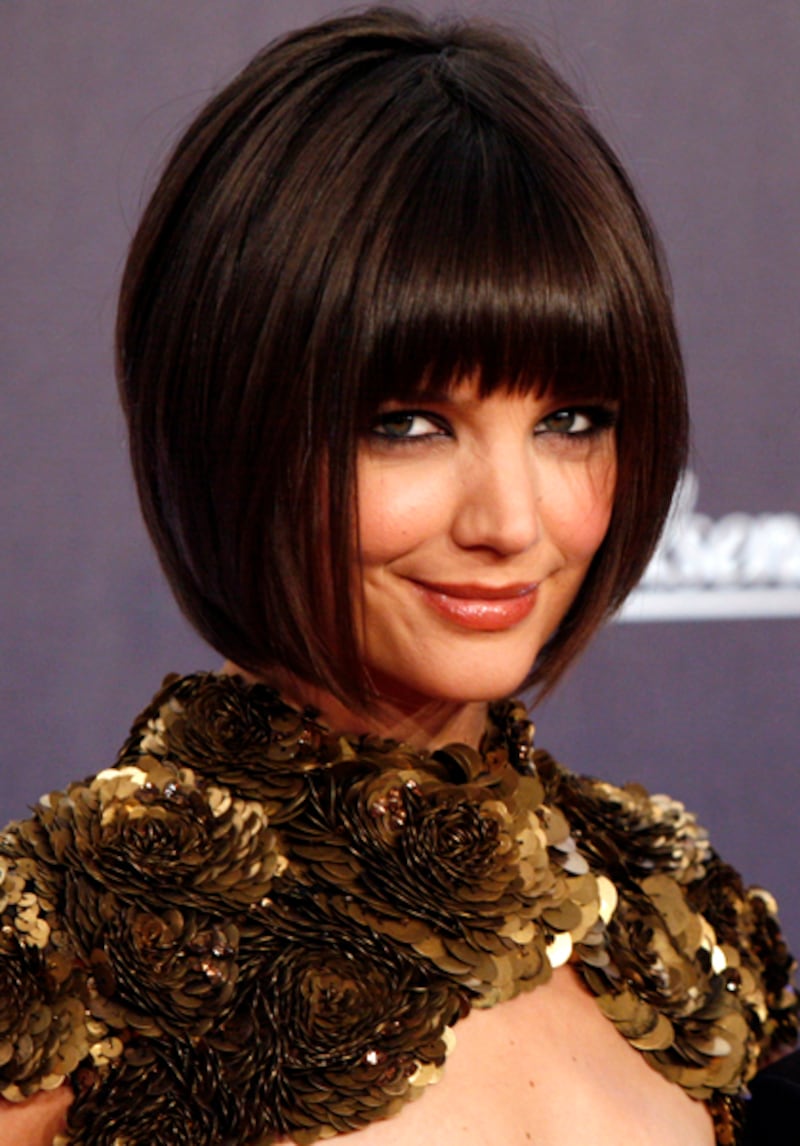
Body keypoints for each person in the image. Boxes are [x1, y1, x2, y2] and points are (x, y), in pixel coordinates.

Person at [0, 7, 796, 1145]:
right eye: (408, 425)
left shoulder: (674, 923)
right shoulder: (60, 962)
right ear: (228, 426)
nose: (510, 521)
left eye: (570, 420)